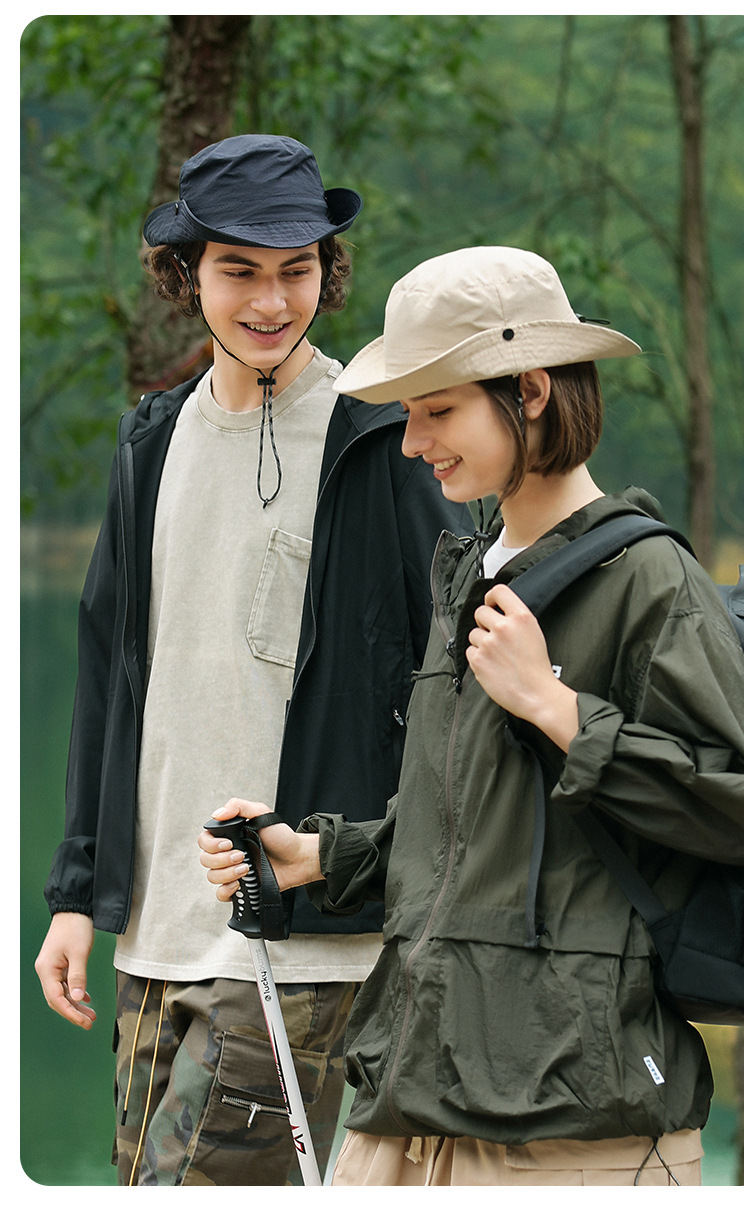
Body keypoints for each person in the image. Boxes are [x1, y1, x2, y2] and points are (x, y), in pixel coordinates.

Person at [199, 246, 744, 1187]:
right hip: (412, 1091)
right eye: (409, 414)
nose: (412, 443)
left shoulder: (650, 580)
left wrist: (557, 706)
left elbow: (738, 809)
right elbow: (463, 830)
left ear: (531, 390)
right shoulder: (468, 572)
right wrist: (318, 856)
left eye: (438, 411)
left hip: (572, 1119)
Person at [34, 135, 471, 1187]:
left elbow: (451, 679)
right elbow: (108, 682)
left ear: (328, 271)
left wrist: (381, 868)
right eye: (240, 270)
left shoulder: (382, 440)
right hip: (155, 931)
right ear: (187, 275)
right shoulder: (149, 442)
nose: (272, 301)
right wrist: (76, 895)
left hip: (300, 936)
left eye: (296, 270)